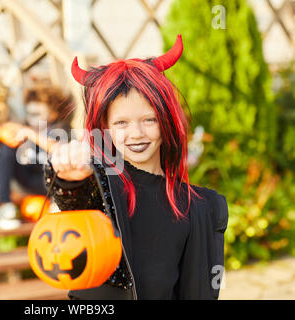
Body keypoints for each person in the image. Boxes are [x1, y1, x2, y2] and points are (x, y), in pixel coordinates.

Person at [44, 35, 229, 300]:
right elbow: (72, 197)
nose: (136, 133)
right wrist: (69, 177)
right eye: (121, 123)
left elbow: (197, 292)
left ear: (167, 121)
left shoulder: (198, 207)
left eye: (149, 119)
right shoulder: (98, 192)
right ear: (104, 127)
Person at [0, 83, 73, 230]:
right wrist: (2, 131)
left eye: (37, 114)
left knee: (60, 168)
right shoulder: (25, 126)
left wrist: (31, 134)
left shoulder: (59, 129)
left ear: (52, 114)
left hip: (50, 182)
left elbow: (57, 149)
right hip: (27, 178)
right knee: (8, 147)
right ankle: (5, 204)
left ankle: (57, 202)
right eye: (29, 114)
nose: (32, 119)